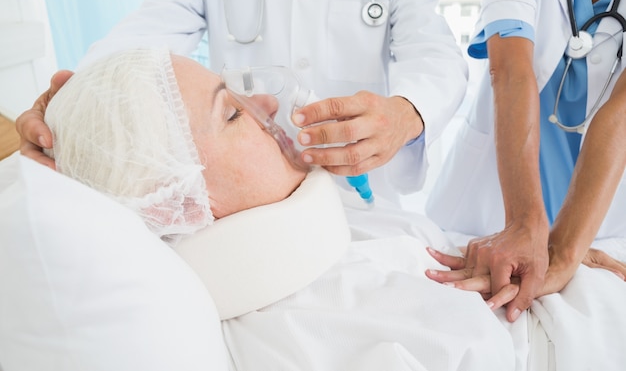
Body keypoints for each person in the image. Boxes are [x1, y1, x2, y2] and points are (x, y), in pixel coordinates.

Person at [44, 47, 517, 371]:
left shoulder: (334, 216)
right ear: (175, 204)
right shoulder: (311, 342)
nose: (267, 101)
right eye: (231, 113)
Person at [17, 0, 468, 205]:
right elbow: (144, 36)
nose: (269, 108)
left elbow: (435, 55)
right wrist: (72, 101)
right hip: (251, 202)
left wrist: (406, 112)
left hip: (367, 191)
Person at [425, 0, 626, 323]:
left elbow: (622, 111)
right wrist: (524, 224)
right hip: (485, 216)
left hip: (594, 229)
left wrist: (566, 250)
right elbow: (512, 70)